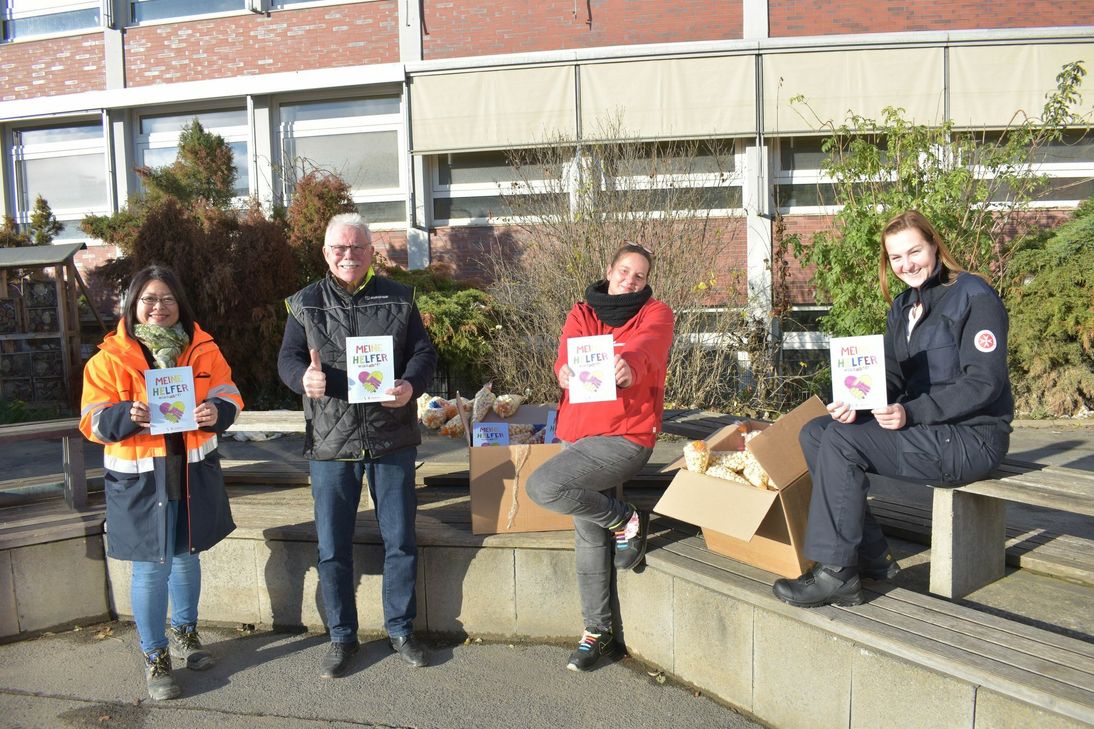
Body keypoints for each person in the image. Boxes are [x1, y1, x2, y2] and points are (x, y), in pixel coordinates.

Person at [773, 210, 1013, 608]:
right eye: (896, 258)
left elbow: (984, 383)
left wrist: (912, 413)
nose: (907, 265)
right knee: (817, 432)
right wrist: (855, 403)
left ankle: (837, 572)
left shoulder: (975, 295)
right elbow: (892, 378)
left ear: (935, 245)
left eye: (914, 251)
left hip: (972, 438)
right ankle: (873, 558)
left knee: (842, 444)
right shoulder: (903, 307)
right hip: (930, 431)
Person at [277, 212, 437, 678]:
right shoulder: (303, 303)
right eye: (339, 248)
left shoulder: (400, 297)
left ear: (371, 252)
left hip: (392, 439)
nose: (348, 255)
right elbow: (287, 359)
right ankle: (342, 637)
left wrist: (410, 383)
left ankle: (401, 630)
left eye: (357, 248)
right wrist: (300, 378)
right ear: (326, 253)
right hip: (331, 442)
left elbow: (423, 353)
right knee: (332, 547)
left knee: (401, 540)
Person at [80, 265, 242, 700]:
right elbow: (91, 421)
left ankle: (186, 634)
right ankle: (155, 655)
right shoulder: (108, 359)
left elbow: (229, 393)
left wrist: (218, 412)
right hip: (139, 481)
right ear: (133, 304)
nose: (158, 307)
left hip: (189, 471)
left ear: (179, 304)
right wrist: (123, 416)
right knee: (151, 568)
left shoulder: (203, 349)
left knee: (187, 557)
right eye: (149, 299)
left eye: (167, 299)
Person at [527, 242, 674, 671]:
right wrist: (562, 371)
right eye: (625, 270)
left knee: (543, 485)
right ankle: (598, 631)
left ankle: (625, 518)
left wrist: (629, 363)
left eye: (640, 275)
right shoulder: (582, 312)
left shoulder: (656, 313)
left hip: (626, 437)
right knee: (588, 536)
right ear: (609, 270)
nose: (630, 279)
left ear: (646, 283)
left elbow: (649, 346)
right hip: (578, 434)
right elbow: (565, 353)